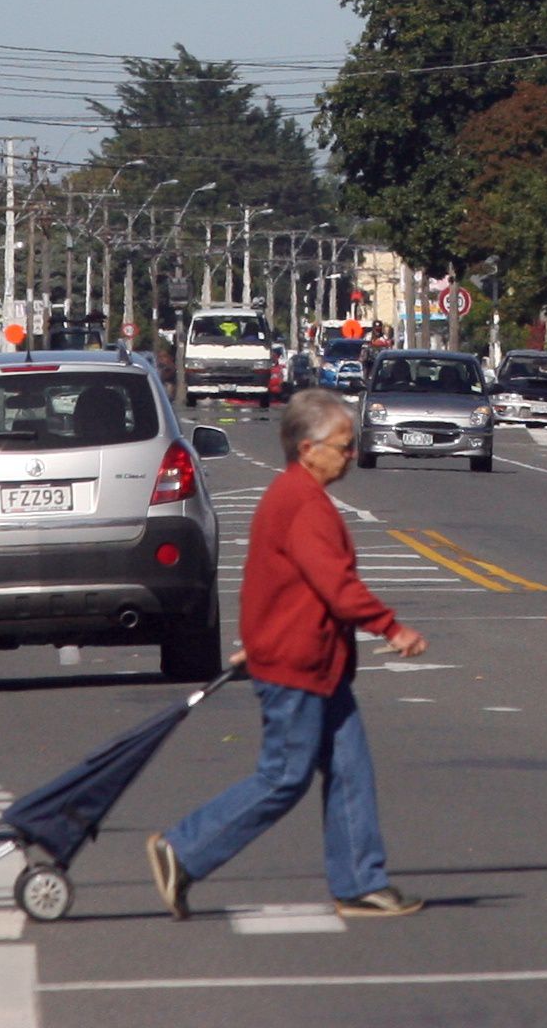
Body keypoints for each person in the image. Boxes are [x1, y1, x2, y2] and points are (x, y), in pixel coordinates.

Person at [149, 388, 428, 921]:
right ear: (308, 448)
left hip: (318, 667)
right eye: (344, 445)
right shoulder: (301, 504)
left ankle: (360, 883)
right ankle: (183, 851)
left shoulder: (297, 498)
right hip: (298, 668)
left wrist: (257, 640)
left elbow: (271, 586)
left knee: (350, 771)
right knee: (283, 777)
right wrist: (390, 629)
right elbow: (335, 584)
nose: (351, 454)